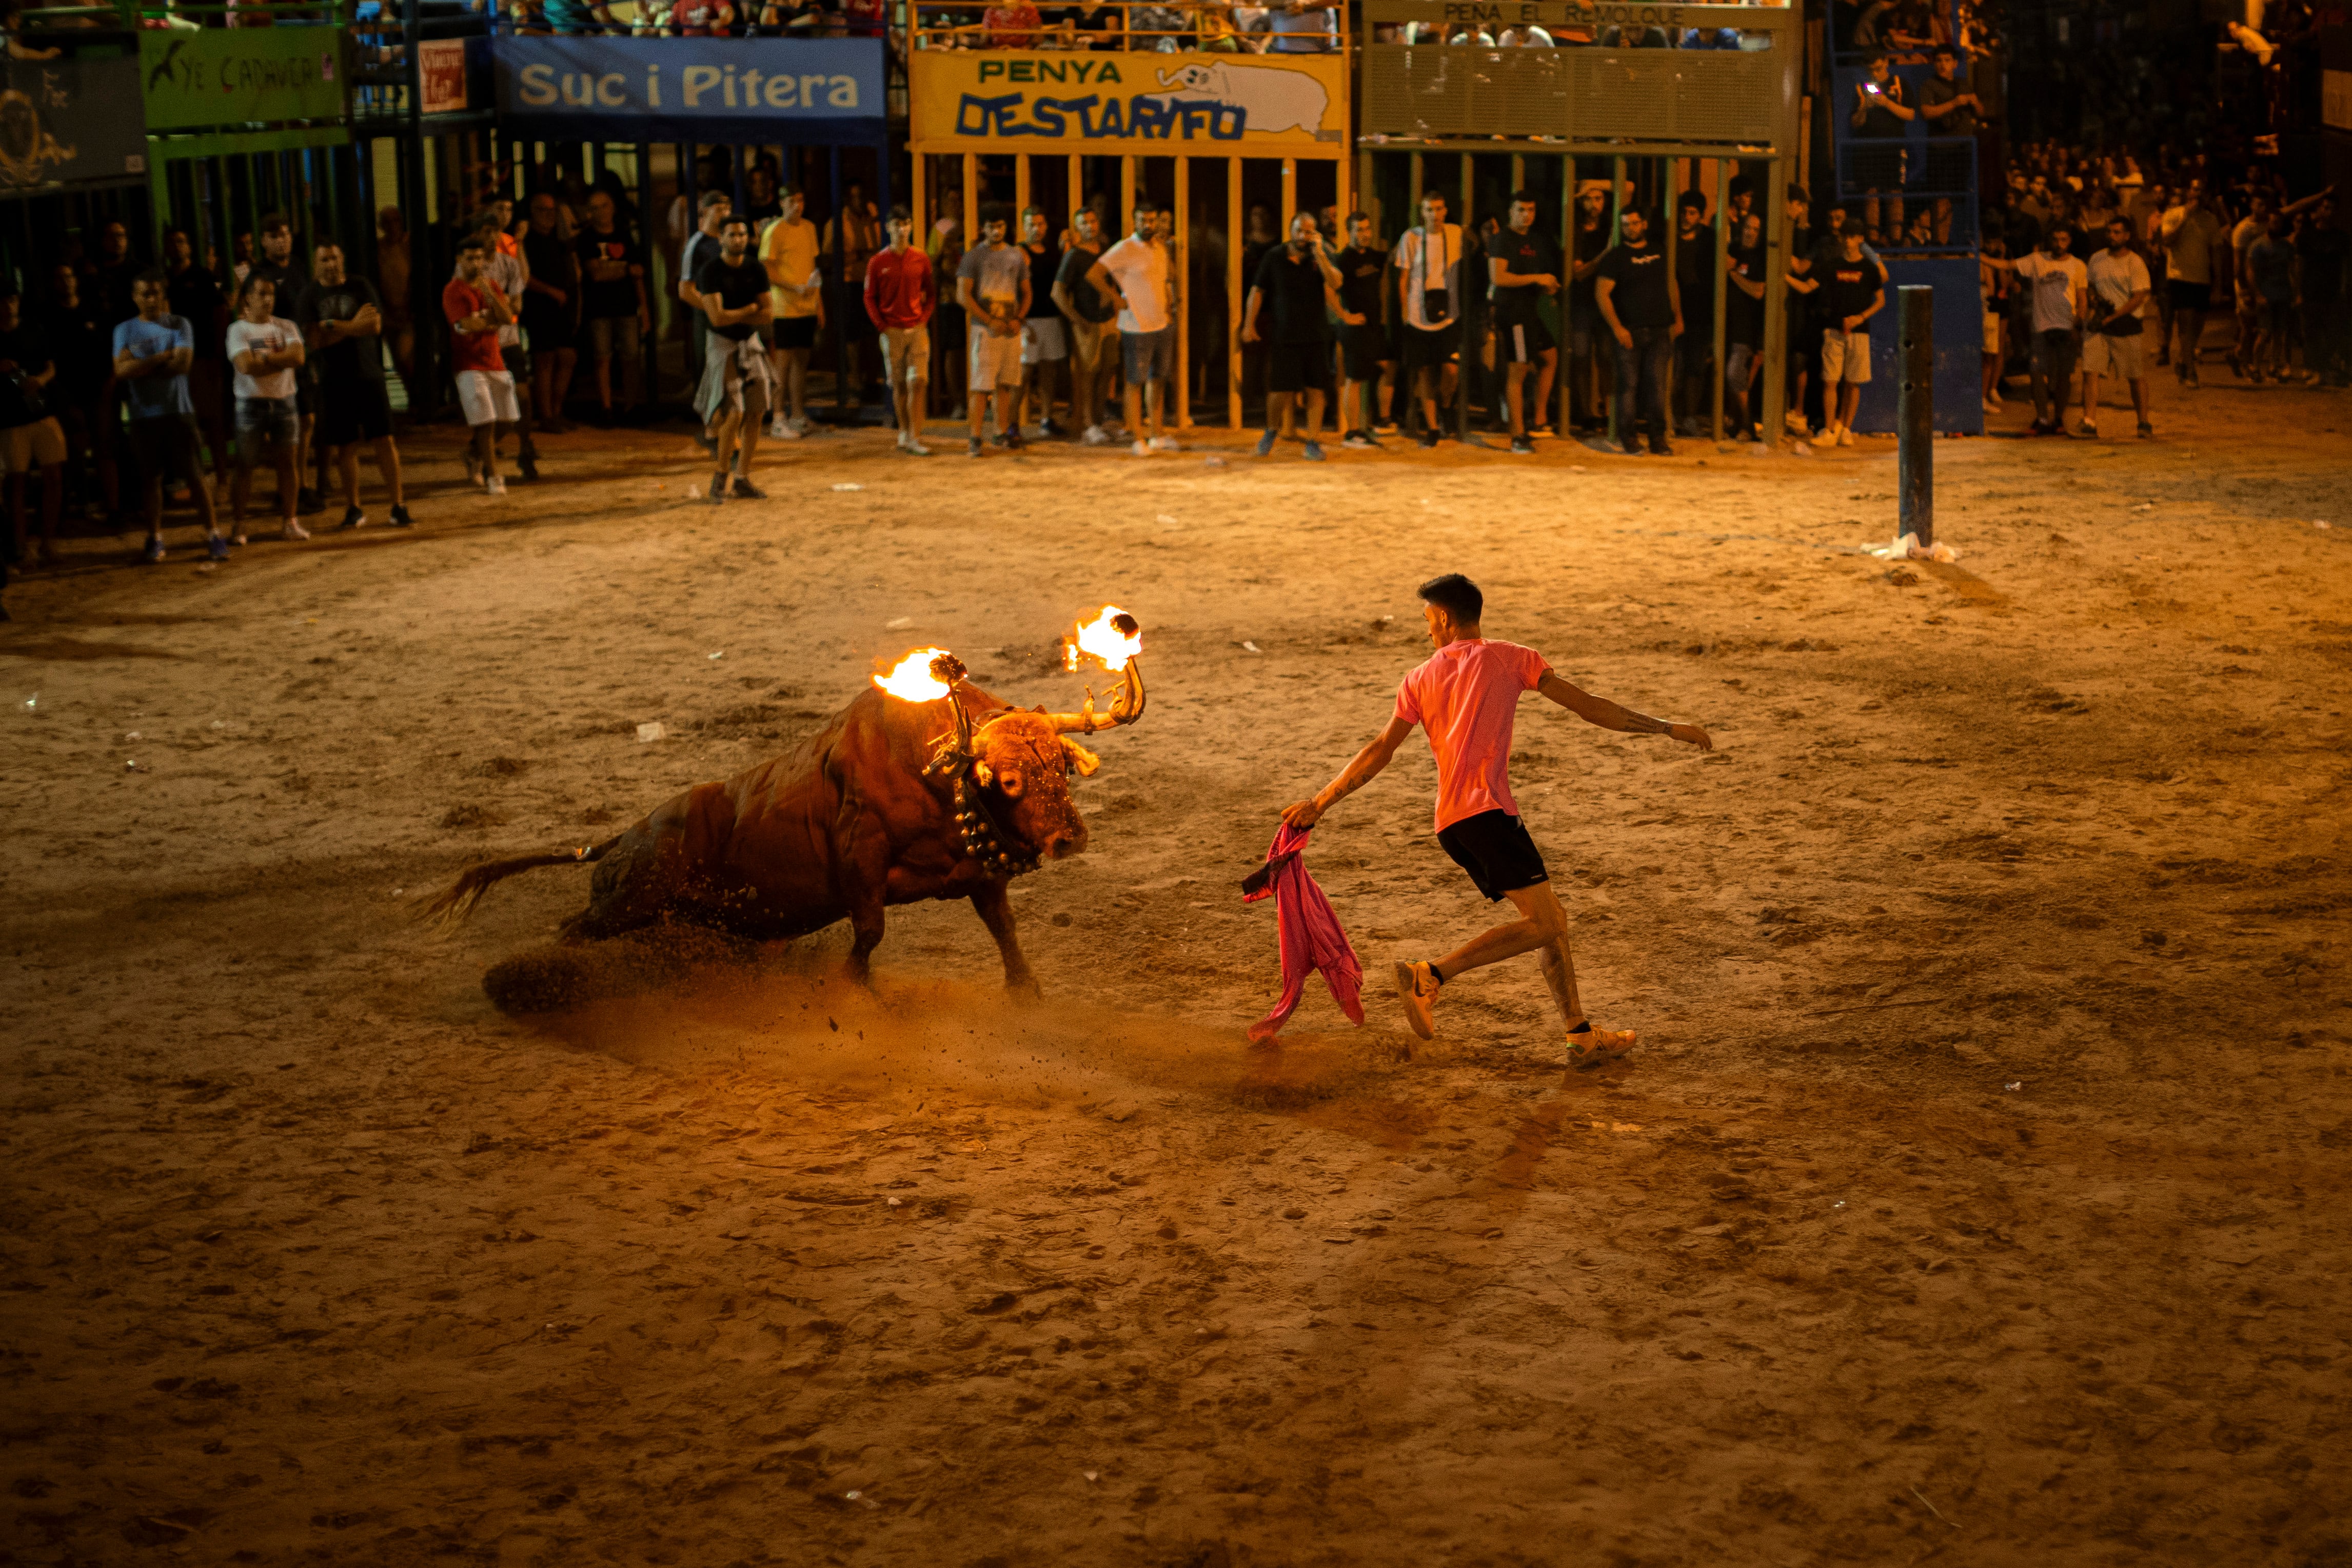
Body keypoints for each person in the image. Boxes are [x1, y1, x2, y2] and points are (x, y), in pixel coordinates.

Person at [1278, 572, 1713, 1067]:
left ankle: (1579, 1033)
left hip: (1454, 823)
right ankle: (1432, 974)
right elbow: (1588, 707)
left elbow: (1380, 750)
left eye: (1428, 621)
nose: (1427, 631)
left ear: (1444, 617)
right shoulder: (1512, 657)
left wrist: (1321, 801)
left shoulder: (1418, 678)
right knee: (1546, 922)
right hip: (1485, 814)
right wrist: (1666, 729)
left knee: (1549, 922)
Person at [297, 241, 411, 530]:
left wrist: (333, 326)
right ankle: (354, 508)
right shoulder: (310, 295)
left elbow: (373, 326)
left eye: (335, 258)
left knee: (384, 439)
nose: (331, 264)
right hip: (334, 380)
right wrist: (351, 325)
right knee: (345, 447)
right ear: (315, 264)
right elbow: (314, 340)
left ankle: (398, 505)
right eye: (324, 260)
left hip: (369, 374)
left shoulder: (361, 286)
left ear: (343, 259)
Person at [115, 268, 226, 562]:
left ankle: (214, 535)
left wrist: (140, 364)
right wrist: (161, 356)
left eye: (156, 293)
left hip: (179, 411)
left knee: (195, 475)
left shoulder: (180, 324)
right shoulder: (123, 330)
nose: (151, 299)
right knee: (150, 479)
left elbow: (182, 365)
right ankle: (155, 538)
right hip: (143, 416)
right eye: (145, 294)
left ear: (163, 296)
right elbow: (120, 371)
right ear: (135, 297)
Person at [1241, 211, 1341, 462]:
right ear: (1291, 231)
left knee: (1316, 390)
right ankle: (1271, 432)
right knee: (1280, 390)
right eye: (1299, 230)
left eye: (1308, 231)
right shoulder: (1275, 256)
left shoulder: (1321, 255)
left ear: (1314, 233)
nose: (1303, 236)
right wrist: (1248, 324)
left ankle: (1313, 441)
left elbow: (1336, 283)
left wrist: (1320, 254)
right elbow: (1258, 289)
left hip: (1316, 334)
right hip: (1285, 334)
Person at [692, 214, 778, 503]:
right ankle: (720, 477)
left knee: (756, 411)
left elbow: (769, 314)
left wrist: (737, 313)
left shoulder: (756, 268)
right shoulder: (710, 271)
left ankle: (742, 478)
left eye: (742, 235)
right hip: (722, 344)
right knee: (735, 411)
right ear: (721, 239)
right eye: (732, 235)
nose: (738, 239)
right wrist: (750, 308)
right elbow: (717, 318)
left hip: (749, 343)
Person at [245, 214, 322, 514]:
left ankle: (300, 484)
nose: (282, 240)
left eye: (286, 234)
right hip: (275, 359)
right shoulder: (259, 274)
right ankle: (287, 488)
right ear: (263, 241)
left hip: (302, 355)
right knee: (281, 428)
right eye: (274, 235)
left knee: (307, 421)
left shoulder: (301, 267)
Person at [1090, 200, 1179, 456]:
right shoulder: (1125, 248)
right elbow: (1094, 274)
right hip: (1135, 326)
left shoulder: (1159, 249)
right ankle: (1138, 438)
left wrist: (1171, 309)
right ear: (1135, 221)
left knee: (1158, 380)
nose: (1148, 225)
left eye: (1152, 220)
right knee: (1134, 381)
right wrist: (1114, 297)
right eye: (1143, 220)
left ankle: (1157, 434)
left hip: (1160, 323)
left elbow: (1167, 279)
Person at [223, 274, 307, 540]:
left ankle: (290, 520)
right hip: (251, 405)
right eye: (261, 294)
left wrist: (266, 358)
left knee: (288, 464)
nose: (268, 299)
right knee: (245, 465)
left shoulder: (287, 326)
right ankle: (239, 523)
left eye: (271, 294)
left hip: (284, 401)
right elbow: (246, 366)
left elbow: (299, 357)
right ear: (248, 297)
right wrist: (281, 360)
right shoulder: (238, 330)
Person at [1593, 207, 1681, 455]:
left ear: (1644, 223)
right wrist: (1618, 328)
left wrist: (1678, 317)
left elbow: (1671, 283)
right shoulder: (1616, 257)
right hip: (1630, 331)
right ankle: (1628, 437)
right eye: (1626, 225)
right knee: (1628, 386)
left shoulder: (1658, 250)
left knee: (1658, 386)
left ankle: (1658, 439)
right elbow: (1602, 293)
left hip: (1660, 330)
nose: (1631, 228)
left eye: (1635, 223)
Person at [442, 237, 519, 497]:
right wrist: (491, 322)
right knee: (486, 422)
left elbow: (507, 318)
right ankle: (494, 475)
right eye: (470, 258)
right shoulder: (453, 291)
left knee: (508, 420)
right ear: (459, 260)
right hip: (468, 365)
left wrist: (489, 296)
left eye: (478, 258)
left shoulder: (491, 286)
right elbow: (465, 326)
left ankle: (474, 454)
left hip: (494, 361)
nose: (475, 263)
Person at [162, 228, 232, 507]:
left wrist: (217, 355)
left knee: (212, 421)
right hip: (176, 365)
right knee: (184, 424)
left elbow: (221, 314)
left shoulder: (203, 277)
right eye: (171, 243)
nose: (177, 247)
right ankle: (196, 480)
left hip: (204, 359)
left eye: (181, 241)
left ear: (190, 247)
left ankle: (224, 480)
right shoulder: (165, 282)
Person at [1486, 191, 1560, 454]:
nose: (1526, 215)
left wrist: (1546, 286)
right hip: (1513, 313)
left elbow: (1531, 277)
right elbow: (1499, 277)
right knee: (1517, 371)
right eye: (1521, 210)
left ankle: (1538, 420)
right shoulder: (1502, 239)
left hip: (1530, 311)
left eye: (1531, 210)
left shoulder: (1534, 240)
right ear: (1510, 211)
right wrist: (1537, 278)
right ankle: (1518, 435)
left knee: (1550, 357)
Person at [1392, 192, 1465, 449]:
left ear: (1446, 210)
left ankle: (1446, 406)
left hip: (1449, 315)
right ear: (1422, 213)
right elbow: (1403, 277)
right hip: (1417, 314)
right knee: (1424, 373)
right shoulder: (1411, 238)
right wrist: (1404, 313)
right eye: (1429, 210)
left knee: (1450, 370)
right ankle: (1433, 427)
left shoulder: (1456, 233)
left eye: (1439, 208)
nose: (1435, 214)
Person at [955, 206, 1029, 458]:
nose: (996, 231)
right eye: (991, 227)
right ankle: (975, 437)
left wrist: (1019, 318)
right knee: (981, 385)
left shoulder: (1015, 256)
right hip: (985, 330)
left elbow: (1026, 291)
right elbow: (963, 294)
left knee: (1005, 384)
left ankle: (1001, 432)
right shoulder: (973, 257)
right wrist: (988, 320)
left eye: (1000, 226)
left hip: (1010, 328)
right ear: (983, 228)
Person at [470, 213, 539, 481]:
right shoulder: (469, 267)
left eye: (495, 232)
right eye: (486, 232)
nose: (491, 238)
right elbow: (470, 309)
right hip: (485, 343)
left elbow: (517, 306)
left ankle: (525, 448)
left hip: (509, 340)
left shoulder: (507, 264)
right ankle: (478, 451)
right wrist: (502, 304)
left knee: (523, 396)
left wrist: (495, 305)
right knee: (494, 410)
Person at [0, 290, 65, 566]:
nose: (8, 304)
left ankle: (47, 542)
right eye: (3, 300)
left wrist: (39, 380)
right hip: (10, 420)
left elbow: (51, 367)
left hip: (42, 412)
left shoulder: (33, 328)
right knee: (17, 484)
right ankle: (22, 546)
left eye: (12, 299)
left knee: (54, 477)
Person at [864, 205, 936, 457]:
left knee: (918, 381)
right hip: (891, 330)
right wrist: (882, 327)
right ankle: (904, 431)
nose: (902, 228)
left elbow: (930, 292)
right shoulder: (878, 262)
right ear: (888, 228)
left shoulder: (921, 258)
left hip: (916, 328)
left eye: (906, 223)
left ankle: (915, 435)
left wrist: (924, 319)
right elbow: (869, 297)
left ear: (912, 226)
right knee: (899, 385)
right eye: (896, 223)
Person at [573, 188, 647, 423]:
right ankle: (606, 408)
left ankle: (631, 406)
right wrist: (624, 269)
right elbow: (596, 274)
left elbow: (639, 275)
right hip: (599, 309)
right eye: (594, 207)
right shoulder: (586, 239)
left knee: (631, 357)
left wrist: (643, 308)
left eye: (603, 206)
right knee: (602, 358)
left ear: (613, 208)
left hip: (626, 306)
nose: (600, 212)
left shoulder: (624, 236)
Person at [2010, 222, 2087, 436]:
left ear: (2069, 241)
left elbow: (2082, 298)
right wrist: (1977, 257)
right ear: (2049, 240)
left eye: (2063, 240)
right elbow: (2008, 265)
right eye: (2055, 239)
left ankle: (2059, 419)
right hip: (2041, 327)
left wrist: (2077, 326)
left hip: (2066, 327)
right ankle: (2043, 418)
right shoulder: (2037, 260)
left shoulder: (2078, 265)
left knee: (2064, 375)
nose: (2059, 244)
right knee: (2036, 373)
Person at [759, 184, 823, 439]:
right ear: (782, 204)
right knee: (782, 365)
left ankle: (797, 415)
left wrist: (819, 304)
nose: (797, 206)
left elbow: (812, 267)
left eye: (801, 200)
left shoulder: (809, 228)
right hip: (784, 309)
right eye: (792, 201)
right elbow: (767, 270)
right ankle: (778, 418)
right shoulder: (775, 231)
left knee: (801, 363)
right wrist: (792, 288)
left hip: (806, 307)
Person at [2081, 215, 2153, 439]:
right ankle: (2089, 421)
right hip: (2100, 324)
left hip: (2126, 324)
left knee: (2134, 375)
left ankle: (2143, 422)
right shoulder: (2097, 259)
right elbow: (2090, 284)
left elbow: (2138, 297)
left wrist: (2113, 317)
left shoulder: (2135, 263)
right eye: (2109, 232)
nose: (2112, 236)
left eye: (2117, 232)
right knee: (2090, 371)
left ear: (2127, 236)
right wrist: (2094, 301)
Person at [1052, 205, 1118, 446]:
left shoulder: (1107, 251)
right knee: (1087, 375)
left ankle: (1099, 421)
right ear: (1076, 228)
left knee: (1108, 371)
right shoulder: (1075, 256)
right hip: (1087, 322)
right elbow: (1057, 292)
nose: (1090, 226)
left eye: (1093, 221)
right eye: (1084, 223)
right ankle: (1088, 425)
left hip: (1109, 320)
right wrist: (1077, 320)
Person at [1816, 227, 1884, 447]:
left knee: (1853, 383)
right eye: (1846, 236)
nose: (1848, 240)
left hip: (1859, 332)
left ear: (1861, 239)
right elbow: (1817, 290)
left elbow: (1881, 301)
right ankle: (1829, 430)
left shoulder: (1869, 268)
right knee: (1830, 381)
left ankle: (1846, 429)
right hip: (1834, 330)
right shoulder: (1834, 265)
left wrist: (1860, 317)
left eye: (1853, 236)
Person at [520, 191, 580, 432]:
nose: (549, 216)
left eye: (552, 210)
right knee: (544, 360)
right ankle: (546, 415)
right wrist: (550, 291)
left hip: (562, 307)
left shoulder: (559, 240)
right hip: (539, 307)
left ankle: (557, 410)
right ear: (532, 213)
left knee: (567, 357)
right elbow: (524, 276)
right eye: (543, 210)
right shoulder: (527, 242)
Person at [1334, 211, 1392, 449]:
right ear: (1350, 232)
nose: (1365, 234)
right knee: (1354, 379)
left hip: (1374, 327)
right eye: (1359, 230)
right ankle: (1352, 432)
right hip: (1355, 328)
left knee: (1389, 365)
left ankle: (1383, 421)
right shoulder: (1343, 259)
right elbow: (1329, 289)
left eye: (1367, 229)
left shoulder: (1375, 257)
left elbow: (1394, 257)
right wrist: (1344, 315)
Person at [2158, 179, 2224, 388]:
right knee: (2186, 325)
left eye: (2202, 191)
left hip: (2202, 278)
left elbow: (2216, 253)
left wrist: (2218, 285)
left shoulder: (2210, 220)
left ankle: (2183, 361)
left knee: (2197, 326)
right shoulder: (2173, 215)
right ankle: (2191, 370)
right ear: (2188, 192)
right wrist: (2185, 219)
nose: (2198, 194)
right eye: (2195, 189)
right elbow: (2167, 241)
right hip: (2180, 276)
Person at [1015, 207, 1068, 438]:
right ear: (1024, 227)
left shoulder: (1051, 252)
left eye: (1040, 224)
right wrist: (1021, 321)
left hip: (1051, 318)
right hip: (1029, 320)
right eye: (1032, 225)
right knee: (1023, 374)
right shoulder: (1019, 252)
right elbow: (1015, 288)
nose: (1037, 229)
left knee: (1049, 371)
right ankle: (1011, 424)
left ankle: (1046, 419)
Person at [1565, 182, 1611, 434]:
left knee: (1606, 357)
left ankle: (1606, 412)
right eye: (1588, 199)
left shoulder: (1609, 224)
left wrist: (1593, 184)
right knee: (1581, 357)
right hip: (1582, 301)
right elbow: (1579, 273)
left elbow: (1628, 186)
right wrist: (1605, 255)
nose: (1594, 204)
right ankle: (1585, 413)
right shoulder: (1575, 229)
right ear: (1579, 202)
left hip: (1606, 301)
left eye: (1599, 198)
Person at [677, 189, 732, 398]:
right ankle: (710, 424)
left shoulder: (728, 240)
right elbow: (685, 290)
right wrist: (712, 309)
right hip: (708, 316)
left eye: (728, 208)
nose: (725, 214)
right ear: (705, 212)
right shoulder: (696, 244)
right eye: (719, 209)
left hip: (729, 313)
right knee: (709, 369)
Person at [1671, 191, 1714, 438]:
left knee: (1695, 368)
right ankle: (1673, 416)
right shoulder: (1668, 236)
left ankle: (1689, 417)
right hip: (1672, 309)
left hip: (1700, 311)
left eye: (1692, 213)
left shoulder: (1709, 239)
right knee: (1673, 369)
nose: (1686, 217)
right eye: (1684, 212)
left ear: (1701, 216)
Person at [1723, 209, 1767, 442]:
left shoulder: (1759, 258)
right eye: (1747, 228)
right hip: (1727, 325)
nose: (1750, 233)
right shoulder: (1733, 251)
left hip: (1747, 327)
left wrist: (1733, 273)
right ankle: (1739, 424)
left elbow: (1758, 291)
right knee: (1735, 378)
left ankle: (1747, 425)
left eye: (1755, 230)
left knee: (1735, 374)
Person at [2245, 213, 2298, 384]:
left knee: (2280, 333)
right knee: (2264, 332)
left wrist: (2296, 293)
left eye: (2278, 223)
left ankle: (2274, 366)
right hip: (2266, 295)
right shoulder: (2258, 246)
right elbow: (2251, 271)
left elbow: (2292, 270)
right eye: (2273, 222)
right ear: (2268, 223)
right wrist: (2257, 294)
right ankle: (2255, 366)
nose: (2275, 225)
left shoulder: (2286, 247)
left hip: (2283, 294)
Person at [375, 206, 414, 381]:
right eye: (387, 222)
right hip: (389, 314)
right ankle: (413, 400)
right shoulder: (379, 250)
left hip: (411, 313)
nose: (392, 226)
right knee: (400, 363)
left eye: (395, 221)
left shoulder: (409, 246)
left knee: (409, 358)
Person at [1918, 45, 1981, 136]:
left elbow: (1980, 113)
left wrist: (1976, 103)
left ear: (1955, 64)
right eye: (1939, 60)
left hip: (1965, 142)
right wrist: (1954, 103)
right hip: (1942, 144)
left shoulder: (1963, 84)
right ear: (1935, 63)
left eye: (1947, 60)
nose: (1943, 65)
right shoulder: (1929, 85)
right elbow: (1926, 113)